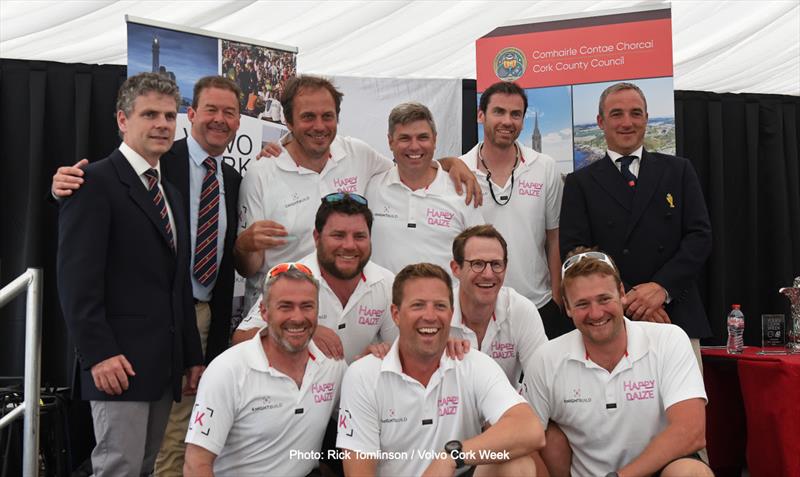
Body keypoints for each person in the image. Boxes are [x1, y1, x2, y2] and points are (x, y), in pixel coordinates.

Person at [52, 75, 244, 476]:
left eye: (168, 115)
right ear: (123, 120)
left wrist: (192, 357)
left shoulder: (168, 192)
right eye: (149, 114)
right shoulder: (94, 184)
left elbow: (176, 286)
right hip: (117, 365)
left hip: (163, 366)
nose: (162, 124)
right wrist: (99, 354)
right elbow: (76, 283)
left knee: (144, 466)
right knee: (118, 466)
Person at [235, 75, 480, 313]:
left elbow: (411, 165)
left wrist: (450, 163)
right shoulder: (261, 174)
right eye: (308, 117)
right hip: (281, 314)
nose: (319, 126)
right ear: (288, 121)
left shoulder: (356, 154)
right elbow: (249, 268)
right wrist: (244, 247)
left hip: (346, 314)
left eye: (327, 116)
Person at [337, 263, 543, 476]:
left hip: (454, 469)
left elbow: (530, 429)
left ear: (451, 313)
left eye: (440, 306)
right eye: (418, 305)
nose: (430, 316)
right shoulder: (364, 374)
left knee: (518, 465)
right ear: (396, 314)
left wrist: (451, 456)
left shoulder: (472, 363)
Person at [559, 82, 713, 363]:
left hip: (675, 313)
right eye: (616, 114)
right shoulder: (580, 183)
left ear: (646, 119)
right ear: (601, 122)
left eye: (635, 113)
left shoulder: (678, 170)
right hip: (609, 319)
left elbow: (699, 237)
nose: (627, 122)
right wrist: (629, 298)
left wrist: (661, 288)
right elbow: (575, 252)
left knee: (685, 404)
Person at [523, 248, 712, 477]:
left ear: (622, 293)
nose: (596, 313)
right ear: (568, 307)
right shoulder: (546, 359)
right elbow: (524, 441)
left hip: (652, 473)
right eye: (582, 304)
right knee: (545, 437)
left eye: (604, 299)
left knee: (690, 472)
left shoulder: (668, 339)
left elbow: (691, 431)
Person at [184, 263, 348, 476]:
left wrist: (377, 355)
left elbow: (373, 412)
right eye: (285, 306)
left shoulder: (332, 364)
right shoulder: (227, 371)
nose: (297, 318)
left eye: (307, 306)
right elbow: (196, 464)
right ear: (264, 312)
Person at [232, 192, 397, 363]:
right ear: (317, 238)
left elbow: (398, 349)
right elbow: (240, 338)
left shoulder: (385, 282)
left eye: (359, 236)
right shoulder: (289, 278)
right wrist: (303, 331)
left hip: (359, 387)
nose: (349, 245)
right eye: (338, 235)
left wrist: (380, 354)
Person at [460, 81, 566, 338]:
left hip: (538, 305)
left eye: (515, 114)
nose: (508, 121)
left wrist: (556, 296)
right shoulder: (459, 172)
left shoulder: (544, 167)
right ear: (480, 115)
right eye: (499, 112)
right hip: (477, 309)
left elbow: (554, 238)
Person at [367, 102, 485, 274]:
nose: (414, 146)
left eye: (422, 137)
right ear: (390, 141)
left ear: (435, 140)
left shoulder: (462, 192)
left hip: (445, 301)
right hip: (382, 300)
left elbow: (480, 255)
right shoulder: (371, 188)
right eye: (405, 138)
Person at [449, 225, 548, 389]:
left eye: (496, 264)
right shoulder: (437, 315)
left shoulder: (520, 310)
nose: (488, 274)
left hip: (508, 412)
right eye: (477, 264)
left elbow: (543, 382)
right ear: (456, 269)